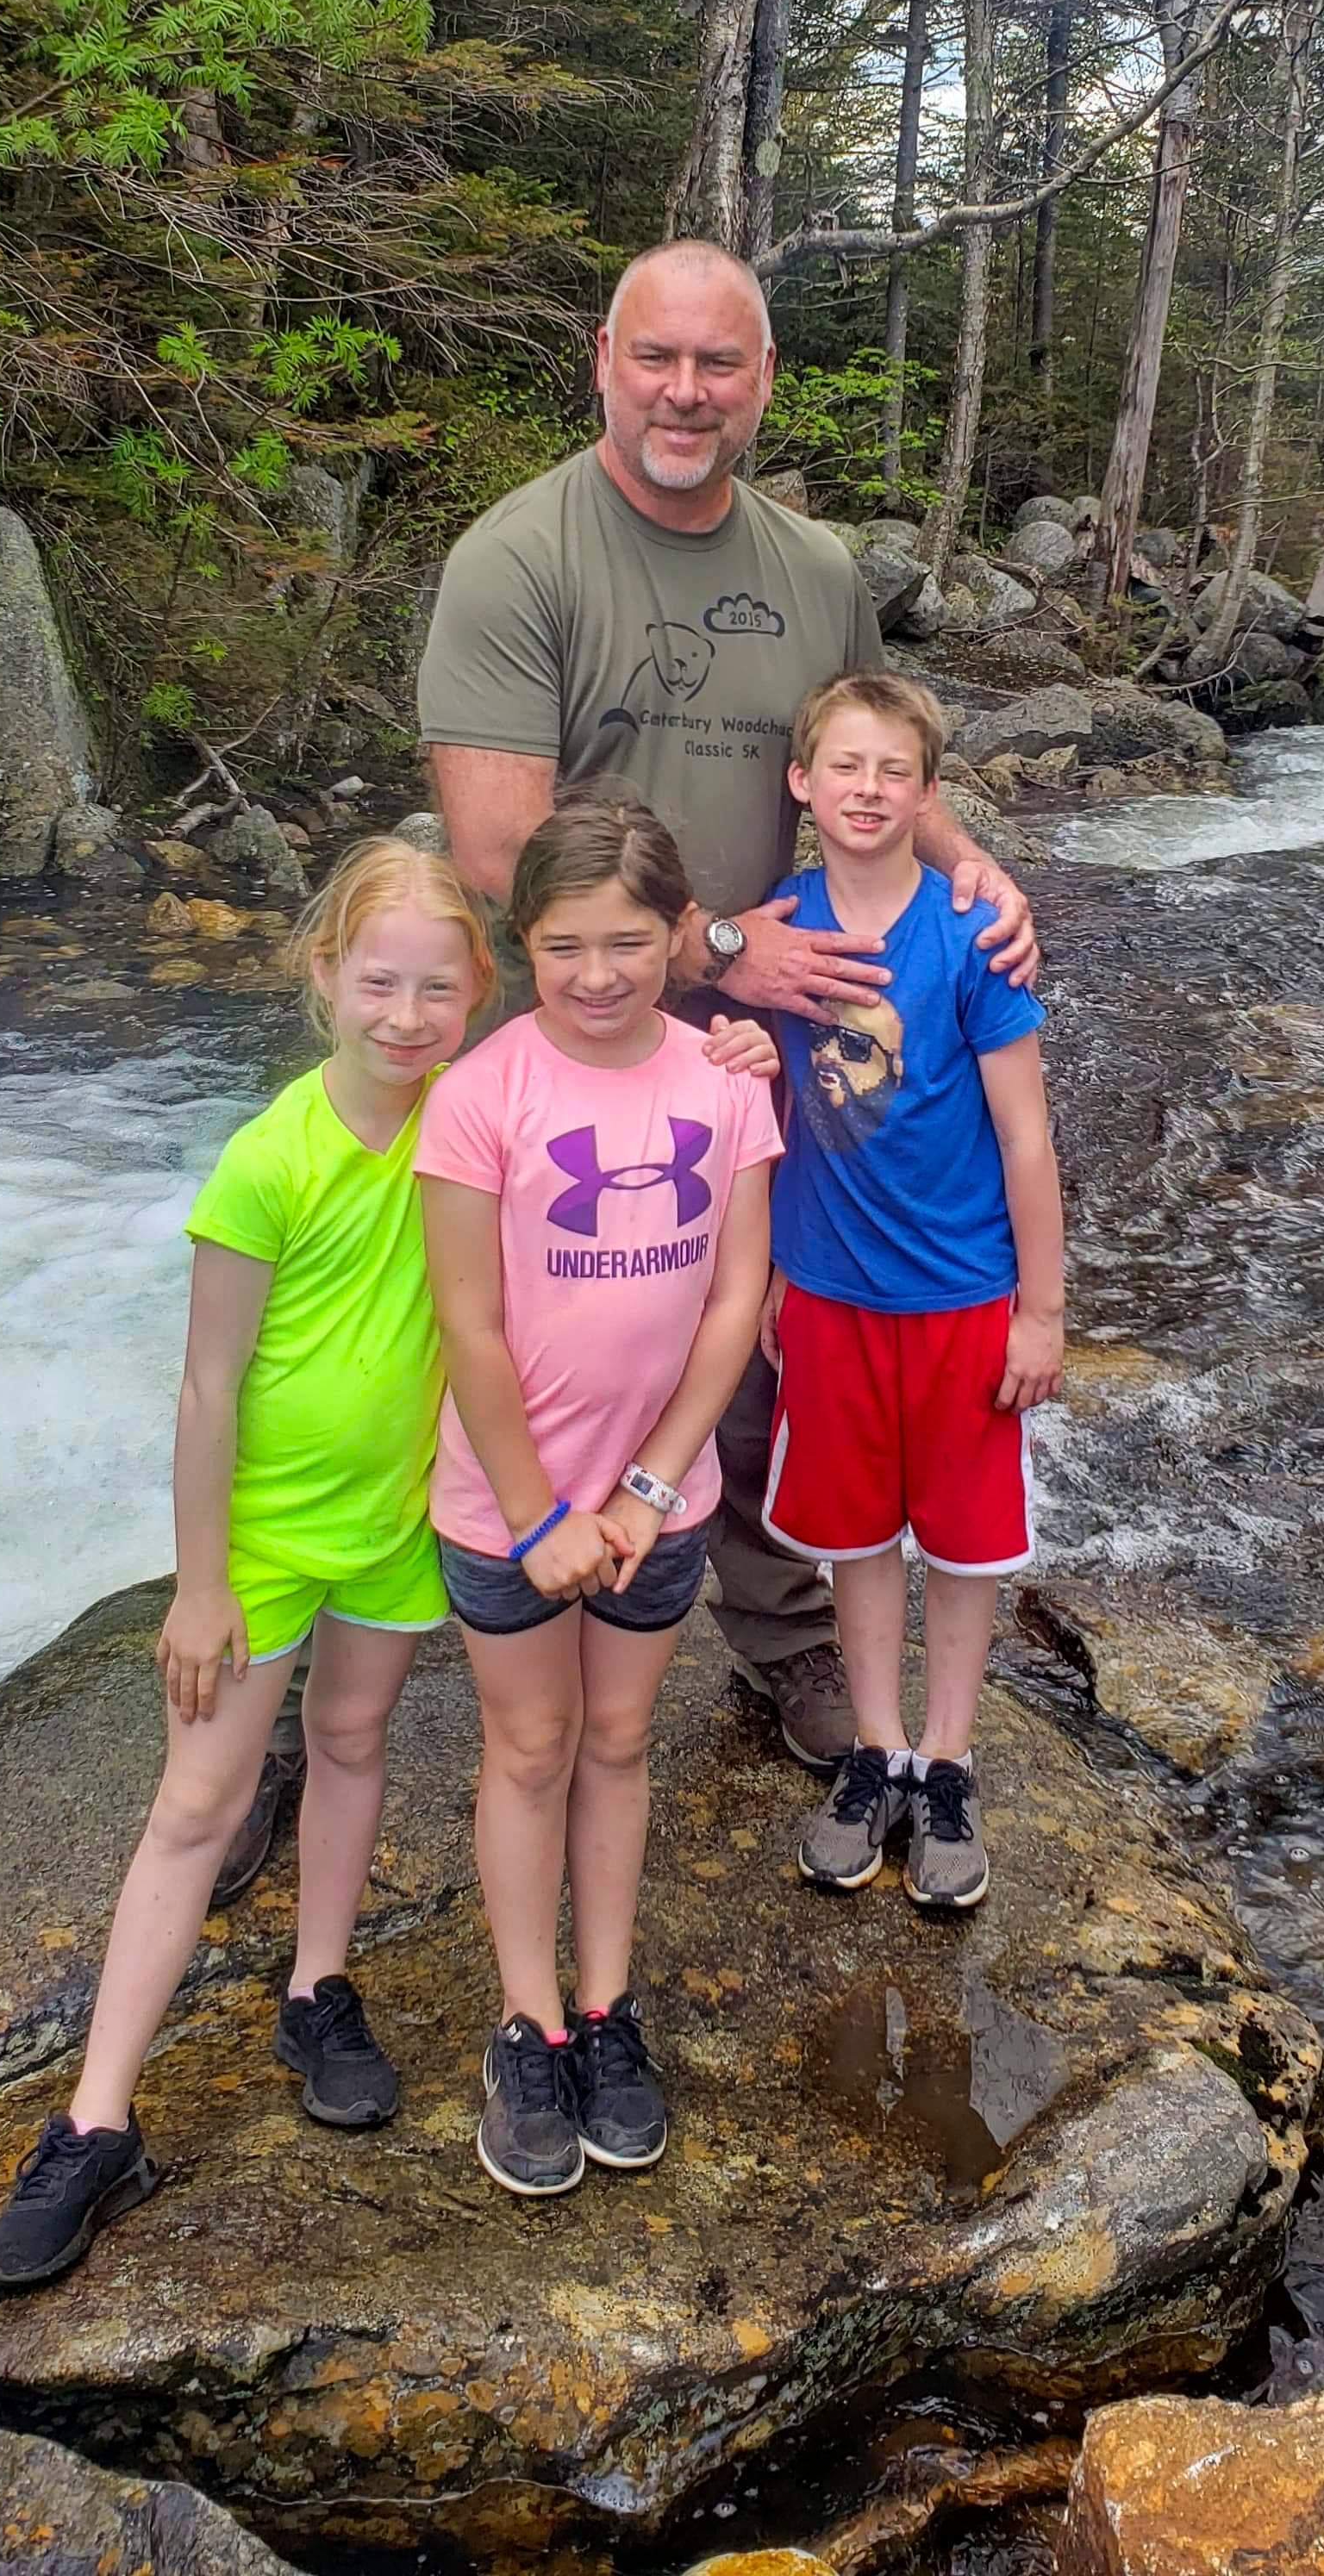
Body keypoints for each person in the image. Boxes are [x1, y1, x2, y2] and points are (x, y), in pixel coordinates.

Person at [413, 234, 1040, 1775]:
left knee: (766, 1327)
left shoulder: (814, 569)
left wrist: (976, 872)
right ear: (603, 363)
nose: (684, 392)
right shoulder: (518, 556)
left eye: (718, 363)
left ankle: (779, 1627)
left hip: (776, 1034)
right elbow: (497, 845)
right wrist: (714, 948)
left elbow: (879, 761)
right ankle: (422, 1605)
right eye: (656, 357)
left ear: (762, 381)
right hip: (583, 1011)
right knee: (516, 1310)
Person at [0, 839, 495, 2292]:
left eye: (436, 988)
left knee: (353, 1739)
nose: (405, 1015)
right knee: (198, 1804)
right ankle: (97, 2120)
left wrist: (723, 1045)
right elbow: (207, 1387)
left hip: (394, 1520)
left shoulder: (471, 1119)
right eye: (378, 982)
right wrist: (198, 1585)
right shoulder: (270, 1157)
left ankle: (319, 1987)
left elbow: (608, 1070)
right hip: (263, 1535)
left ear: (476, 994)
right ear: (323, 975)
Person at [416, 793, 779, 2198]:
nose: (598, 974)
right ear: (522, 943)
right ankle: (529, 2023)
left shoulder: (726, 1082)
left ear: (680, 935)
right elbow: (469, 1324)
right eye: (565, 945)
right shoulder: (480, 1095)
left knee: (618, 1740)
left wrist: (646, 1485)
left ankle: (608, 2006)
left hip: (657, 1502)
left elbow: (736, 1297)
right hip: (507, 1505)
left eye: (629, 942)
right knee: (530, 1746)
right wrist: (539, 1514)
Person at [759, 674, 1065, 1913]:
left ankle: (948, 1761)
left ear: (929, 794)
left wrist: (1041, 1310)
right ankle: (877, 1752)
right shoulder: (778, 930)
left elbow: (1027, 1136)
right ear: (803, 782)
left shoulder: (971, 934)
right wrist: (771, 1274)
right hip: (830, 1293)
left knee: (964, 1542)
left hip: (963, 1296)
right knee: (856, 1537)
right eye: (845, 766)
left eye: (895, 771)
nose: (868, 789)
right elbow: (745, 1091)